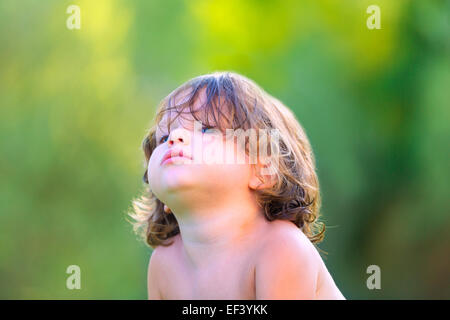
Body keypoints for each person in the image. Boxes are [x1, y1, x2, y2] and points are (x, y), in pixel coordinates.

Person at [129, 71, 345, 299]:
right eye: (164, 138)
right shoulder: (165, 264)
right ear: (164, 201)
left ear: (263, 168)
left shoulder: (280, 247)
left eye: (206, 129)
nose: (175, 138)